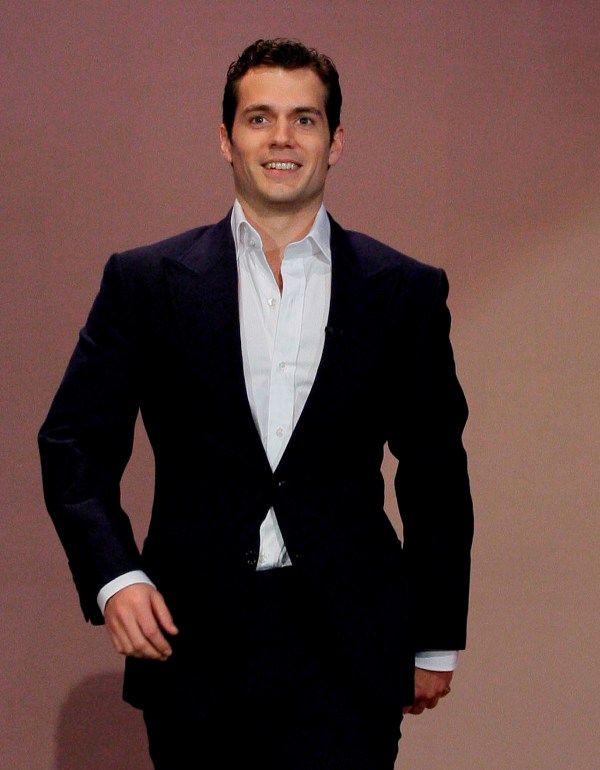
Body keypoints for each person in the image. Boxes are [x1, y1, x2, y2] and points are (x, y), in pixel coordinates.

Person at [38, 38, 474, 769]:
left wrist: (434, 637)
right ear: (226, 139)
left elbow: (435, 471)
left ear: (336, 142)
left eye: (304, 119)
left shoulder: (403, 290)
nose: (281, 138)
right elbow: (73, 443)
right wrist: (115, 577)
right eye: (259, 118)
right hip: (194, 640)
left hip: (349, 647)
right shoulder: (146, 283)